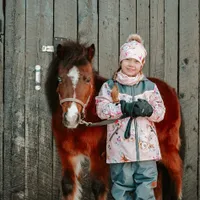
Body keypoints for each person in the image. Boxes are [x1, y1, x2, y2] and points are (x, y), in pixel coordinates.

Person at [95, 34, 166, 200]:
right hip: (120, 152)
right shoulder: (110, 86)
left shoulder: (149, 87)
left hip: (146, 151)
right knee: (121, 189)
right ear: (121, 61)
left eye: (136, 61)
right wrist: (123, 107)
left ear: (141, 64)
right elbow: (101, 110)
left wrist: (149, 110)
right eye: (128, 60)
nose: (131, 64)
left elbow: (160, 112)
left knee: (146, 189)